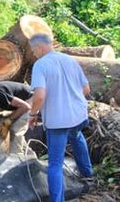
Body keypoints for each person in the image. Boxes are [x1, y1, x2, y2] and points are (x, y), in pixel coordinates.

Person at [28, 33, 93, 202]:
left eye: (33, 50)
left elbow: (40, 96)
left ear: (40, 47)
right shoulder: (70, 59)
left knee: (55, 164)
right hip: (79, 115)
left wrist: (33, 114)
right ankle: (88, 175)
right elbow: (86, 89)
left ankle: (57, 200)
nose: (33, 54)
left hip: (58, 121)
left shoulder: (40, 65)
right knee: (77, 136)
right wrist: (69, 97)